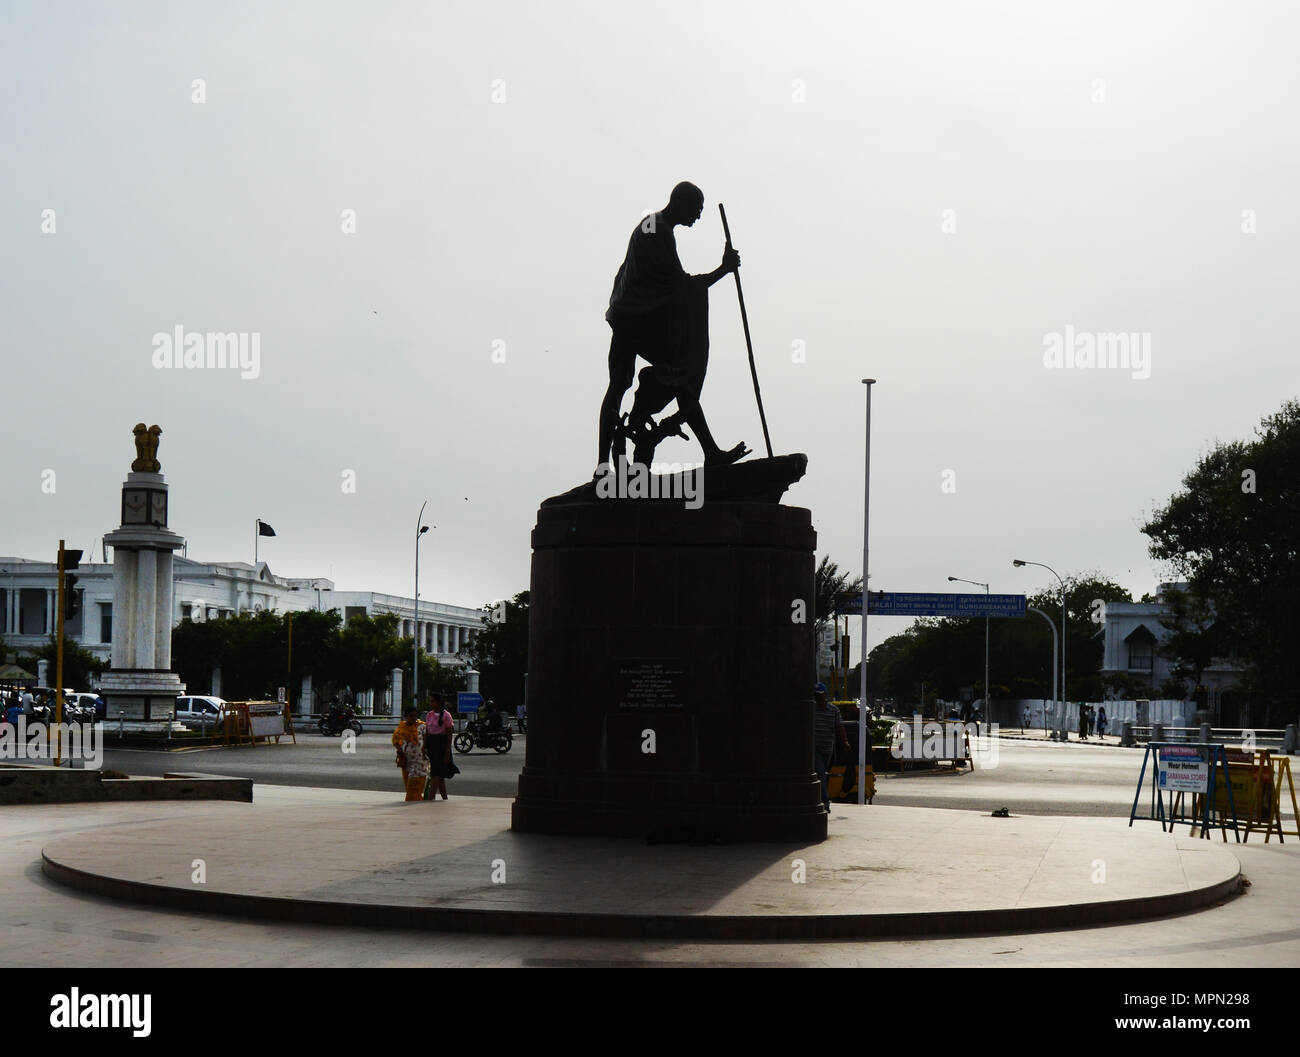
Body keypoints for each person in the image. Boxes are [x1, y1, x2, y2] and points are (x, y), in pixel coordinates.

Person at [597, 181, 748, 471]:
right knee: (667, 378)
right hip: (636, 320)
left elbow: (671, 285)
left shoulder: (654, 226)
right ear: (680, 202)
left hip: (633, 316)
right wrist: (723, 270)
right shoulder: (658, 230)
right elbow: (681, 286)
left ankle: (615, 457)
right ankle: (605, 462)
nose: (699, 216)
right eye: (697, 208)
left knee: (624, 385)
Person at [813, 683, 851, 814]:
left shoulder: (833, 710)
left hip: (828, 748)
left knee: (822, 774)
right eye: (816, 695)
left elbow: (839, 727)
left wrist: (845, 741)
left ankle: (818, 798)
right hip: (815, 748)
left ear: (825, 695)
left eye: (820, 695)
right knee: (821, 774)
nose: (818, 698)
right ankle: (825, 802)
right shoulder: (812, 709)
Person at [391, 708, 429, 802]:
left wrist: (426, 752)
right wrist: (400, 751)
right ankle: (416, 801)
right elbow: (395, 741)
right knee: (409, 785)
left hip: (420, 761)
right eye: (411, 716)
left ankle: (411, 802)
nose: (413, 718)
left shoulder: (422, 726)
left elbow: (426, 741)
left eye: (415, 716)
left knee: (414, 783)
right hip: (407, 761)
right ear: (406, 717)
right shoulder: (402, 727)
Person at [423, 693, 455, 801]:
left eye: (432, 701)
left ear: (438, 702)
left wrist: (447, 750)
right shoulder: (429, 715)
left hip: (441, 744)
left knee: (436, 773)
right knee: (439, 774)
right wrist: (424, 745)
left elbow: (449, 734)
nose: (430, 703)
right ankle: (444, 798)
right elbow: (427, 731)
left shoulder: (446, 715)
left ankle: (430, 798)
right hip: (432, 744)